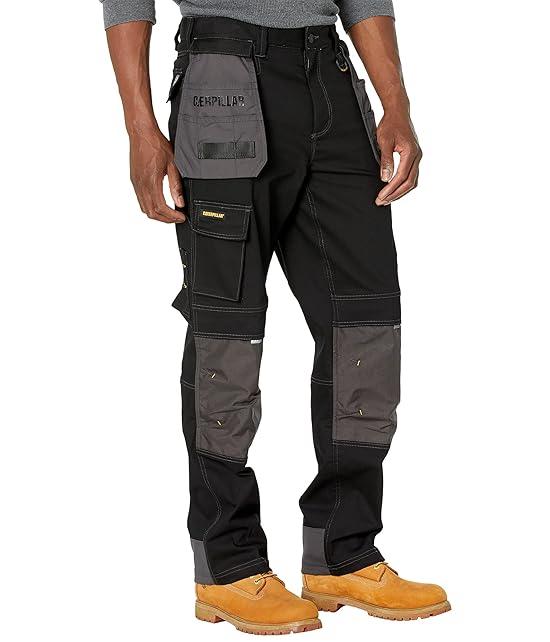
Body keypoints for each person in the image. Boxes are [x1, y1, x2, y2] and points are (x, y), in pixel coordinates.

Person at [101, 0, 450, 633]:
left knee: (365, 327)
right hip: (222, 77)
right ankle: (227, 565)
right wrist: (140, 128)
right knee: (227, 334)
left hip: (332, 81)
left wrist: (396, 104)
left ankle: (344, 552)